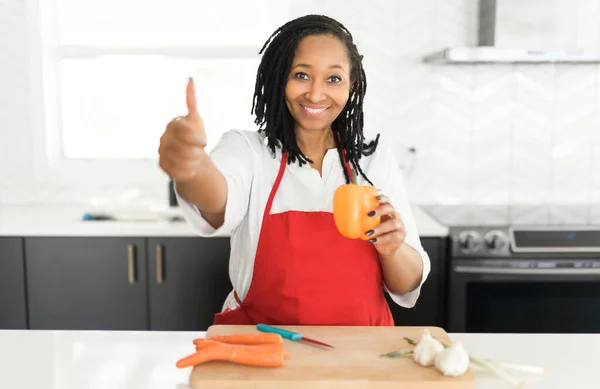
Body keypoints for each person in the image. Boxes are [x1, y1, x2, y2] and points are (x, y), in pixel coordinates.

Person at [158, 14, 430, 326]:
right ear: (278, 78)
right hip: (262, 351)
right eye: (301, 75)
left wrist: (392, 249)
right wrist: (193, 167)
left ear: (351, 85)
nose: (316, 94)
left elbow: (407, 284)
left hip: (361, 355)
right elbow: (218, 200)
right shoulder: (249, 151)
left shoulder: (373, 160)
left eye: (333, 78)